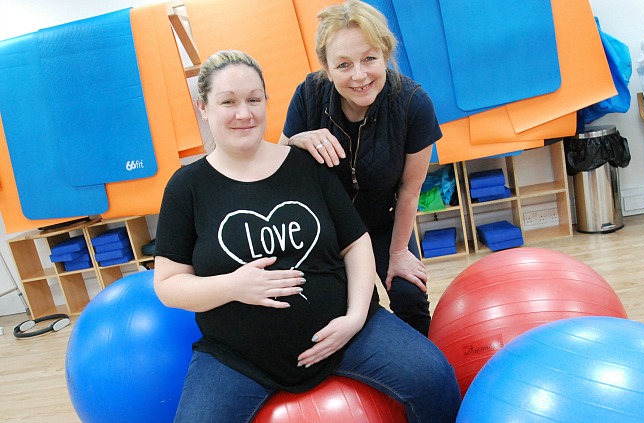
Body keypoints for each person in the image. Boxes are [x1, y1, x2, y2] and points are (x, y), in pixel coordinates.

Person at [153, 50, 461, 423]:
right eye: (228, 102)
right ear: (204, 108)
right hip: (237, 356)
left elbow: (357, 242)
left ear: (267, 101)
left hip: (347, 334)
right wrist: (235, 286)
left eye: (253, 99)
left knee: (435, 377)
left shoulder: (305, 165)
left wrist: (355, 316)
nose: (243, 113)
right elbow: (168, 284)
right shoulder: (187, 186)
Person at [280, 0, 440, 336]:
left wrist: (399, 253)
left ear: (385, 53)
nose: (359, 75)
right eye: (343, 65)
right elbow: (277, 165)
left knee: (410, 293)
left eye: (369, 58)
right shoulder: (309, 95)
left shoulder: (414, 104)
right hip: (325, 231)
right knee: (343, 306)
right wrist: (298, 140)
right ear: (326, 67)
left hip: (383, 224)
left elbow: (410, 191)